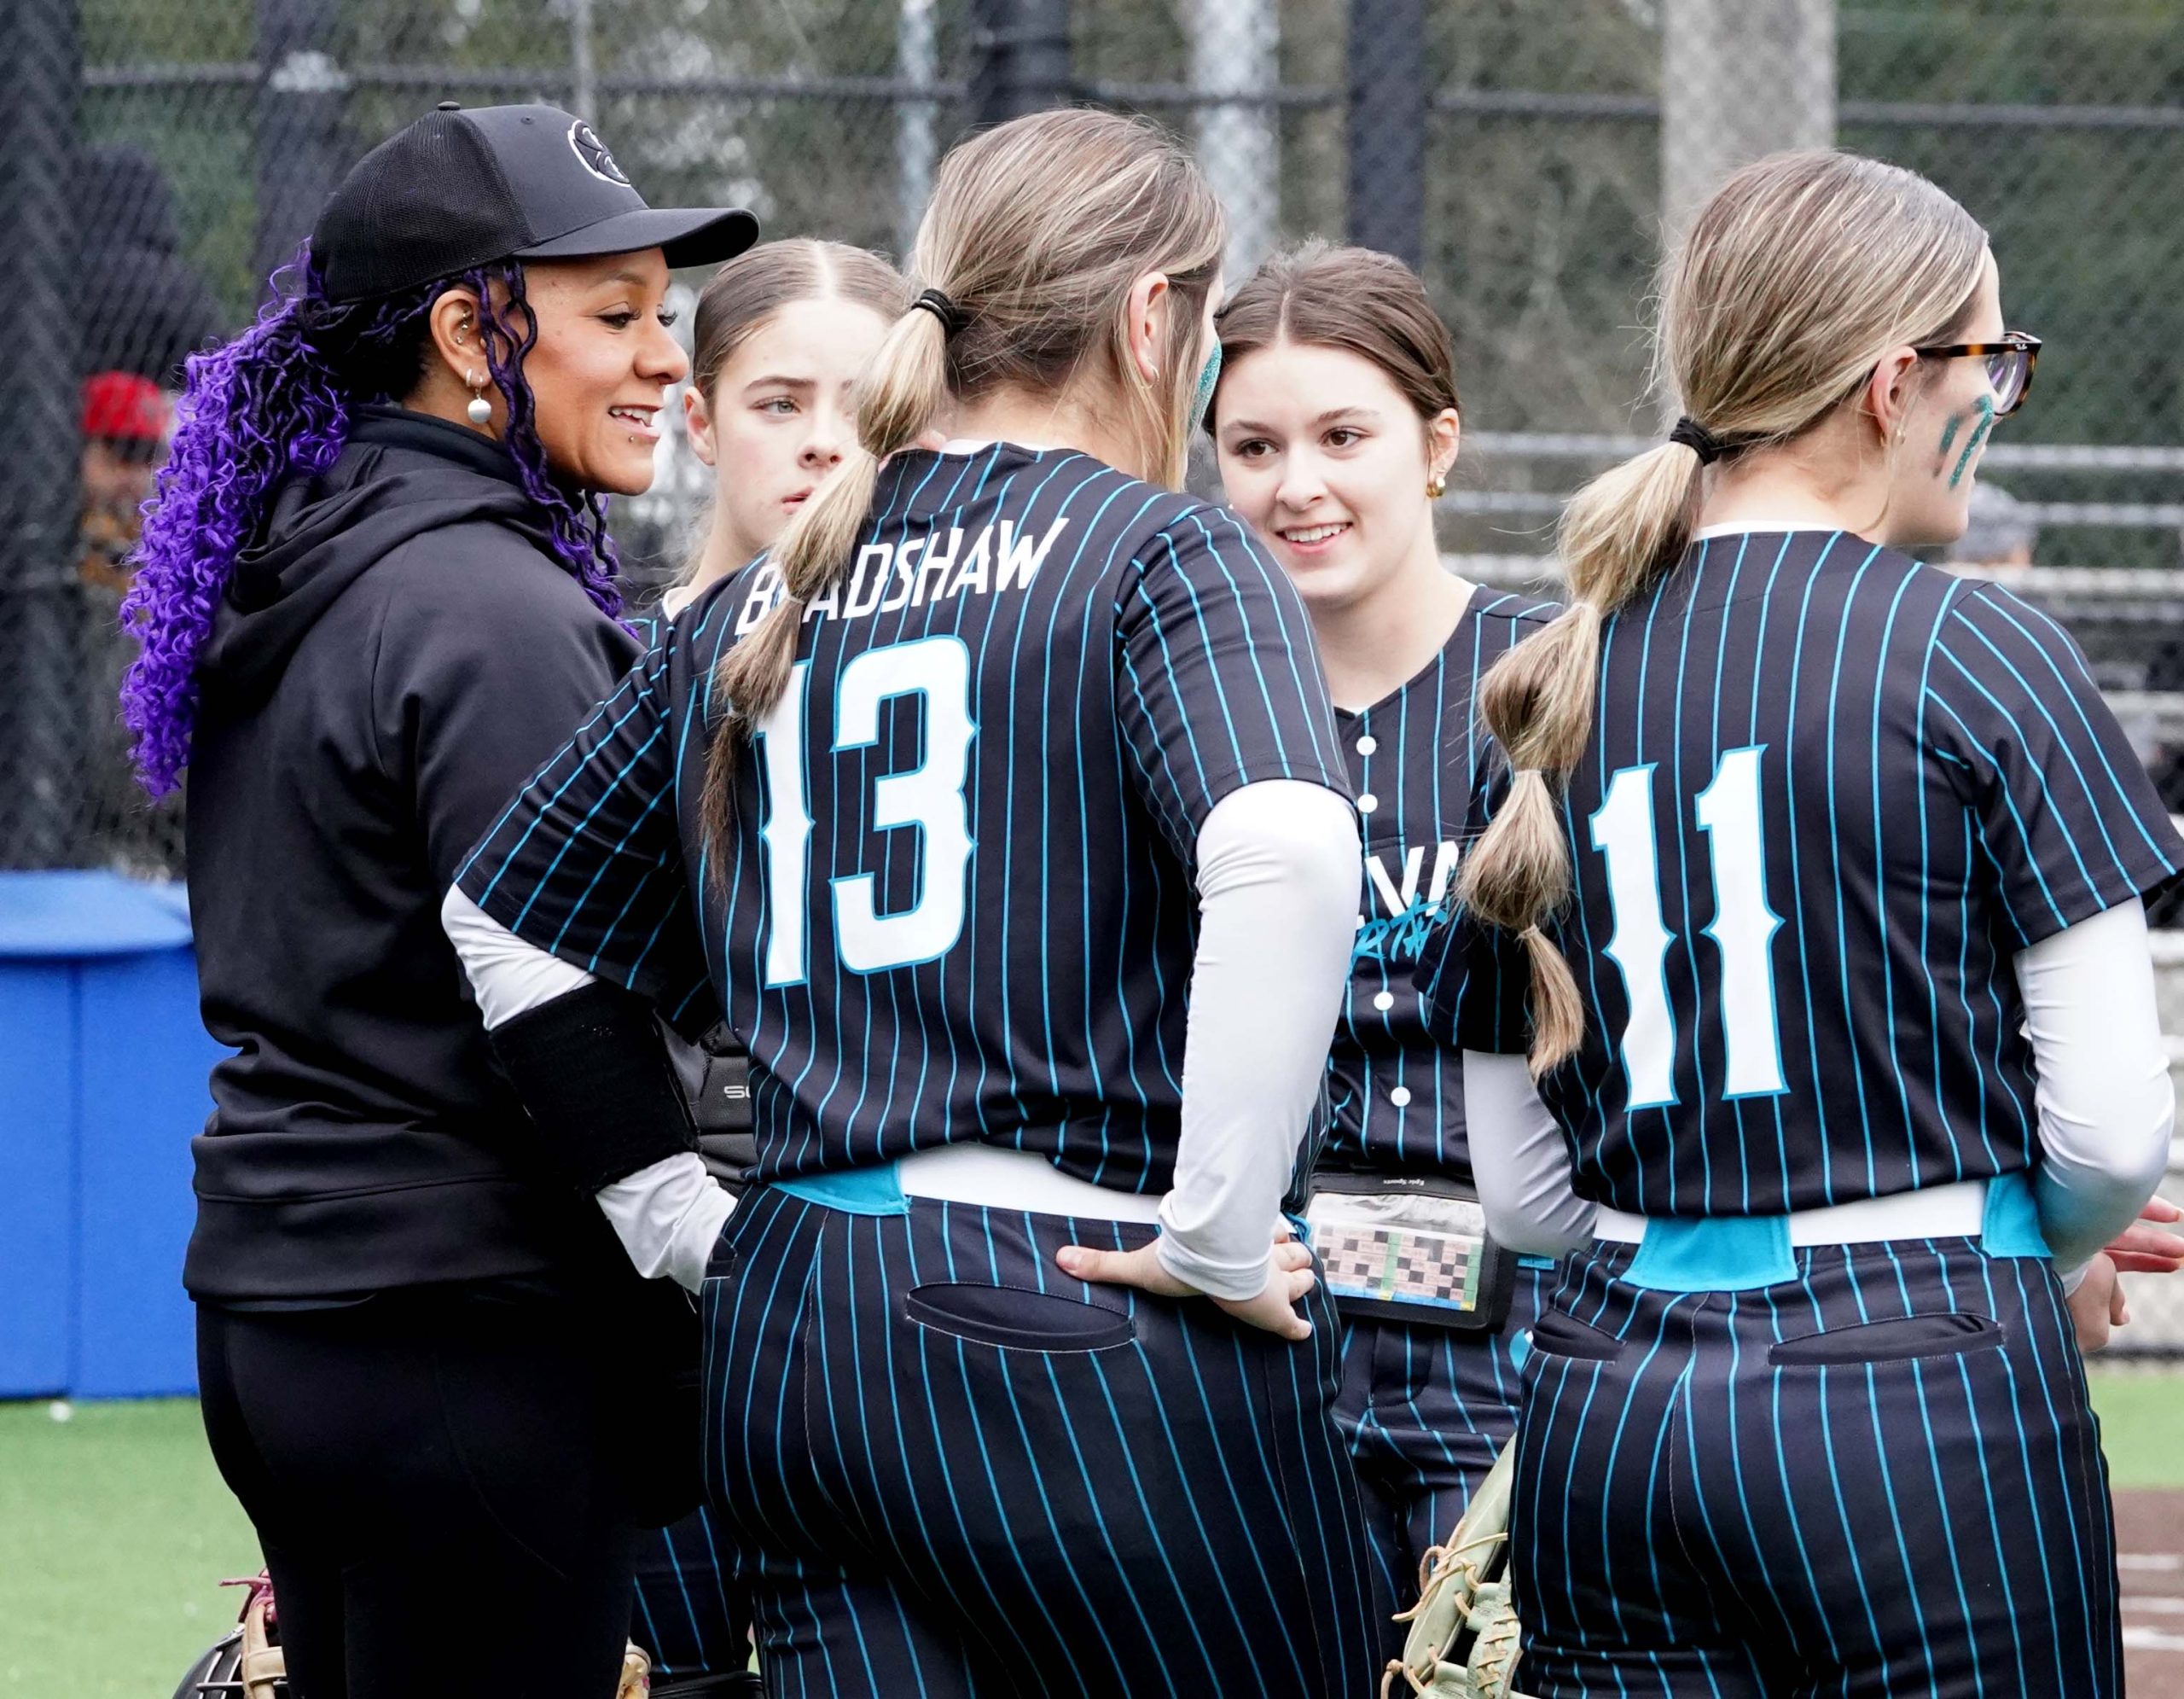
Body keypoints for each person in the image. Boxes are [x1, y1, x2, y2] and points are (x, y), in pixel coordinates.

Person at [444, 106, 1385, 1697]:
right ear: (1150, 318)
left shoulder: (765, 594)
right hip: (1081, 1320)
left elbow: (504, 920)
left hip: (801, 1328)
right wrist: (1223, 1237)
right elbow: (1285, 851)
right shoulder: (1159, 553)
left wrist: (685, 1225)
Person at [1420, 148, 2179, 1697]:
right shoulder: (1979, 653)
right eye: (1992, 364)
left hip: (1609, 1407)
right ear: (1894, 386)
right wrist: (2038, 1248)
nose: (1999, 402)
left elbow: (1527, 1200)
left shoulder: (1549, 684)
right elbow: (2110, 1138)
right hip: (1919, 1390)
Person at [121, 102, 754, 1697]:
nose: (664, 358)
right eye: (616, 314)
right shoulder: (488, 601)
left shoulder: (306, 559)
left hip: (282, 1311)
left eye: (663, 313)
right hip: (461, 1332)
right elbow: (572, 998)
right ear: (474, 334)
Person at [1207, 241, 1554, 1624]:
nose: (1298, 484)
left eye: (1344, 436)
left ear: (1437, 446)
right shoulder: (1186, 696)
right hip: (1258, 1343)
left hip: (1520, 1352)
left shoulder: (1556, 682)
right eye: (1254, 446)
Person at [627, 237, 904, 1696]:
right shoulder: (616, 668)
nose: (820, 443)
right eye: (778, 402)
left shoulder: (962, 677)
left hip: (882, 1303)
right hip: (648, 1306)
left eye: (860, 406)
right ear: (699, 420)